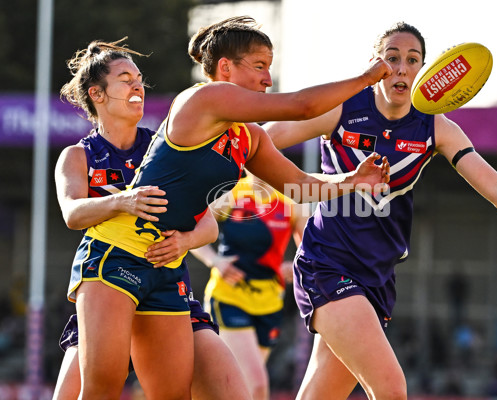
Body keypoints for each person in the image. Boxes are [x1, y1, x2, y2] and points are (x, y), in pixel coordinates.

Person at [66, 16, 391, 400]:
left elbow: (298, 187)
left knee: (172, 395)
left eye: (270, 68)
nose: (268, 79)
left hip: (167, 270)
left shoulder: (249, 137)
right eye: (259, 67)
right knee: (102, 388)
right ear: (225, 68)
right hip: (115, 253)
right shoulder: (203, 98)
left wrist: (353, 181)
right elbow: (302, 107)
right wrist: (368, 78)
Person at [264, 21, 497, 400]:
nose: (401, 67)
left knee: (320, 395)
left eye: (412, 60)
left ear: (426, 72)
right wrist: (326, 183)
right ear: (374, 64)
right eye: (392, 58)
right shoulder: (341, 110)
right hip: (327, 264)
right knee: (391, 388)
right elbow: (263, 143)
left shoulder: (436, 128)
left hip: (377, 277)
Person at [53, 39, 250, 400]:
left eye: (140, 78)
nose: (137, 86)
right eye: (125, 78)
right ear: (97, 94)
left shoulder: (163, 146)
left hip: (165, 281)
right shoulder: (77, 155)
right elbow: (72, 213)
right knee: (91, 391)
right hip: (111, 277)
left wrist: (186, 241)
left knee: (230, 390)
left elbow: (206, 223)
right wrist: (123, 202)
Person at [190, 172, 310, 400]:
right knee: (257, 384)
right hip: (229, 298)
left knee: (242, 386)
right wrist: (214, 260)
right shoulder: (231, 194)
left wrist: (297, 267)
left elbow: (311, 249)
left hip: (270, 302)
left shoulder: (289, 201)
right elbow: (192, 229)